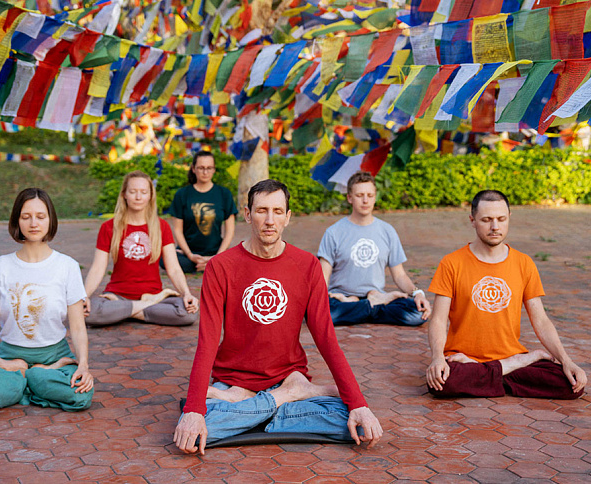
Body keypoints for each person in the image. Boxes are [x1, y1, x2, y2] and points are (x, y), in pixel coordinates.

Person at [173, 179, 383, 455]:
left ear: (288, 217)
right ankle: (283, 402)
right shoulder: (220, 267)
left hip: (287, 375)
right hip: (234, 382)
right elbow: (208, 342)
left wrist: (359, 405)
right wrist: (194, 410)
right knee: (197, 423)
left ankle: (254, 410)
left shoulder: (307, 266)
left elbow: (326, 339)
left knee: (354, 420)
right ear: (248, 214)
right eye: (261, 211)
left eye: (277, 211)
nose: (269, 220)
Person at [425, 190, 588, 399]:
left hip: (506, 357)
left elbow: (540, 320)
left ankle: (488, 374)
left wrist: (566, 360)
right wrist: (438, 358)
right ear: (472, 220)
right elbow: (438, 319)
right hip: (463, 359)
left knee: (570, 384)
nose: (495, 227)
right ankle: (506, 371)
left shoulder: (524, 263)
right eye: (486, 220)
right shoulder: (451, 263)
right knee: (443, 382)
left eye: (501, 219)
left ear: (509, 218)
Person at [0, 188, 93, 414]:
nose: (33, 223)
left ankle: (24, 377)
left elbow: (77, 327)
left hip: (55, 356)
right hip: (9, 356)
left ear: (51, 220)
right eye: (26, 216)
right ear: (17, 220)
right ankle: (27, 375)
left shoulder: (67, 266)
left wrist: (84, 366)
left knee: (81, 396)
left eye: (41, 216)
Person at [83, 171, 198, 327]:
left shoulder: (161, 227)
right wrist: (83, 297)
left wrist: (187, 294)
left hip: (154, 296)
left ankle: (123, 314)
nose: (138, 197)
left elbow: (174, 268)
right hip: (117, 297)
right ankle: (141, 311)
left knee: (187, 313)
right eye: (133, 192)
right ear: (124, 194)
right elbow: (97, 268)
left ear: (150, 196)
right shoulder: (109, 227)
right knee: (89, 312)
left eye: (143, 192)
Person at [318, 171, 431, 326]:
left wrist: (418, 293)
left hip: (376, 295)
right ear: (349, 198)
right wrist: (320, 300)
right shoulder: (333, 232)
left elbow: (399, 275)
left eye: (370, 195)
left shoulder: (387, 231)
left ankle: (362, 307)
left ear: (375, 197)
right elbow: (323, 276)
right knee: (322, 314)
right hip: (341, 298)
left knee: (417, 313)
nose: (365, 200)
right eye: (360, 195)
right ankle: (370, 306)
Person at [166, 150, 237, 273]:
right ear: (193, 169)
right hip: (188, 252)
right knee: (166, 259)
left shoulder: (224, 194)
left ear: (214, 169)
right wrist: (189, 255)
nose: (205, 172)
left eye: (209, 168)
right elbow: (177, 230)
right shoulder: (182, 194)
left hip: (216, 251)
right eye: (201, 168)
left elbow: (230, 230)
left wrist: (218, 256)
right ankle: (209, 266)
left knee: (236, 259)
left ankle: (211, 263)